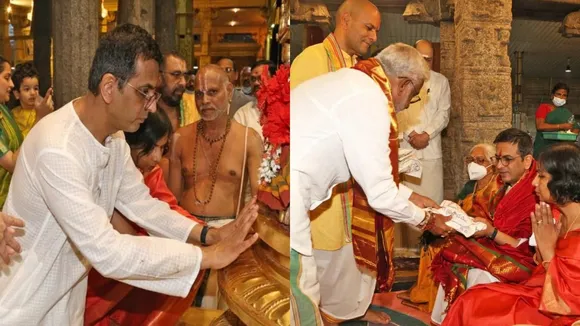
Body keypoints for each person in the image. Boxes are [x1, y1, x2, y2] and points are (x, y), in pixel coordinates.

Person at [0, 24, 258, 325]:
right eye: (145, 93)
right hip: (21, 306)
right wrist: (206, 257)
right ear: (110, 87)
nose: (151, 107)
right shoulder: (57, 148)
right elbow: (106, 250)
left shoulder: (114, 137)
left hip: (65, 305)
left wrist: (207, 234)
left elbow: (142, 204)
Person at [290, 43, 452, 325]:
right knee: (302, 294)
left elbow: (366, 171)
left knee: (302, 288)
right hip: (294, 193)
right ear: (403, 84)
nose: (406, 105)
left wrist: (412, 196)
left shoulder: (356, 82)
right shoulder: (372, 99)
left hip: (293, 189)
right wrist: (427, 220)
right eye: (414, 97)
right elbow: (379, 193)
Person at [85, 110, 206, 325]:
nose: (157, 158)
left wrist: (203, 232)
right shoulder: (106, 171)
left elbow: (166, 209)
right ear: (131, 144)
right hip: (103, 272)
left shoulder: (151, 173)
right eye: (152, 148)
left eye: (162, 149)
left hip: (137, 257)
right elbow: (121, 234)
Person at [442, 143, 580, 326]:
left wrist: (548, 250)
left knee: (478, 311)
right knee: (471, 299)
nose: (534, 182)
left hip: (558, 310)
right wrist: (543, 248)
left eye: (542, 176)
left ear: (564, 181)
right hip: (540, 291)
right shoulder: (553, 215)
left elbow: (568, 300)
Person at [430, 128, 538, 325]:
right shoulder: (503, 183)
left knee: (474, 272)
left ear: (527, 161)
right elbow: (485, 213)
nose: (500, 166)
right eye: (497, 159)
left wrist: (491, 231)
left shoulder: (536, 191)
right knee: (454, 253)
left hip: (522, 259)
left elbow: (523, 245)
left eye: (507, 159)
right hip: (496, 246)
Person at [403, 143, 500, 313]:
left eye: (480, 160)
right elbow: (458, 205)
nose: (474, 164)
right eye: (471, 160)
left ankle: (437, 300)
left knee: (441, 246)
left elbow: (492, 218)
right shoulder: (471, 185)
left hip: (479, 232)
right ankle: (424, 292)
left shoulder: (497, 187)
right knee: (430, 239)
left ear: (492, 163)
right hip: (461, 225)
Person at [290, 0, 381, 89]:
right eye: (369, 28)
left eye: (376, 31)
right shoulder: (311, 59)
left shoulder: (361, 66)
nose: (374, 38)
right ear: (346, 21)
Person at [0, 56, 24, 209]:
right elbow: (13, 163)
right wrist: (40, 120)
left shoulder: (3, 109)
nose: (12, 84)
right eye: (6, 78)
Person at [233, 60, 276, 140]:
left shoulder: (288, 108)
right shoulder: (243, 113)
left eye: (261, 78)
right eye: (253, 79)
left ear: (274, 79)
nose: (256, 83)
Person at [533, 82, 578, 158]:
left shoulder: (567, 113)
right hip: (543, 148)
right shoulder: (544, 108)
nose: (561, 97)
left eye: (564, 95)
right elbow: (540, 126)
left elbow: (576, 128)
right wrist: (561, 126)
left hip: (560, 152)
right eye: (558, 94)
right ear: (552, 95)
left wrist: (568, 138)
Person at [157, 52, 200, 132]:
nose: (183, 82)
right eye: (176, 75)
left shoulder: (195, 106)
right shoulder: (145, 110)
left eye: (185, 75)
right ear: (159, 76)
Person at [10, 61, 54, 138]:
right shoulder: (13, 115)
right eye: (27, 89)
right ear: (17, 94)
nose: (33, 93)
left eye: (36, 88)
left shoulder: (43, 110)